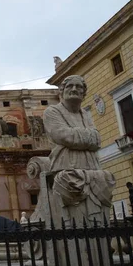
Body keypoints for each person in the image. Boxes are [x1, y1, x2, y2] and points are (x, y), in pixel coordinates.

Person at [43, 75, 114, 223]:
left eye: (78, 87)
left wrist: (79, 137)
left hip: (92, 167)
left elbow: (98, 139)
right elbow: (62, 136)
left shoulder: (86, 114)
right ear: (61, 91)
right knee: (75, 218)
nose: (74, 89)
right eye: (70, 86)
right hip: (66, 166)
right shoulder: (52, 112)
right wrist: (88, 137)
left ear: (84, 93)